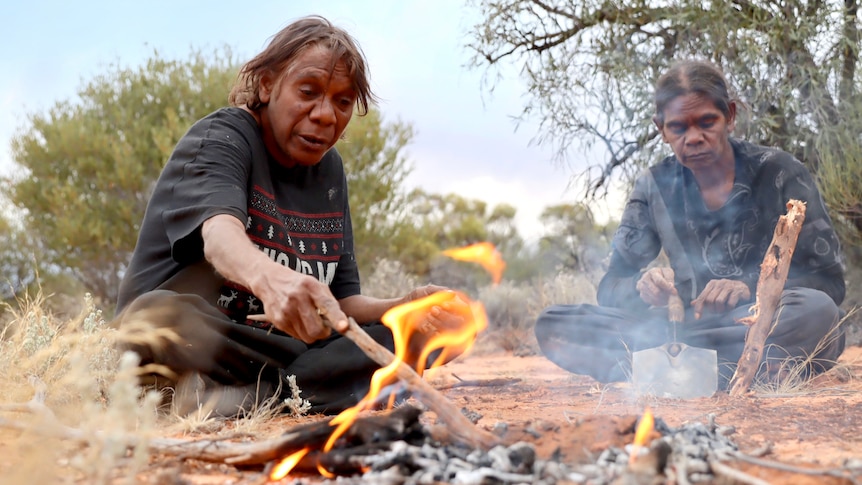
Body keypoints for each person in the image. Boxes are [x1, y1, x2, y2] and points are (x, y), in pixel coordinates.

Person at [112, 16, 462, 416]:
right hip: (208, 341)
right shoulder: (223, 137)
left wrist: (405, 306)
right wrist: (270, 281)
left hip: (286, 351)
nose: (326, 115)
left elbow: (342, 301)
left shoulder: (330, 173)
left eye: (343, 101)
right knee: (157, 316)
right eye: (308, 92)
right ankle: (311, 391)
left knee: (440, 332)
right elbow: (219, 235)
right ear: (266, 84)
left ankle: (254, 398)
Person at [534, 60, 846, 388]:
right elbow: (610, 286)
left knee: (817, 312)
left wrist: (750, 287)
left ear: (731, 116)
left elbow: (830, 283)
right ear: (660, 128)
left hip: (755, 326)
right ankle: (712, 371)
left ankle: (667, 372)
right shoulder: (654, 185)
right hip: (679, 331)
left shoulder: (780, 172)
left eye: (707, 122)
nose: (693, 137)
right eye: (678, 127)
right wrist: (643, 287)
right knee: (555, 324)